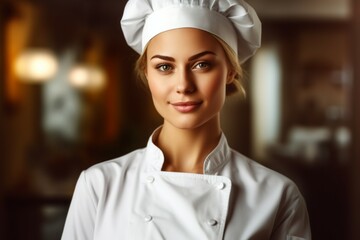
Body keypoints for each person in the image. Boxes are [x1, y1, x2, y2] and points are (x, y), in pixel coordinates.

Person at [61, 0, 311, 239]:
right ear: (147, 74)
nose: (183, 85)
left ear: (230, 71)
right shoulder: (99, 184)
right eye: (164, 67)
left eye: (202, 64)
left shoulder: (277, 196)